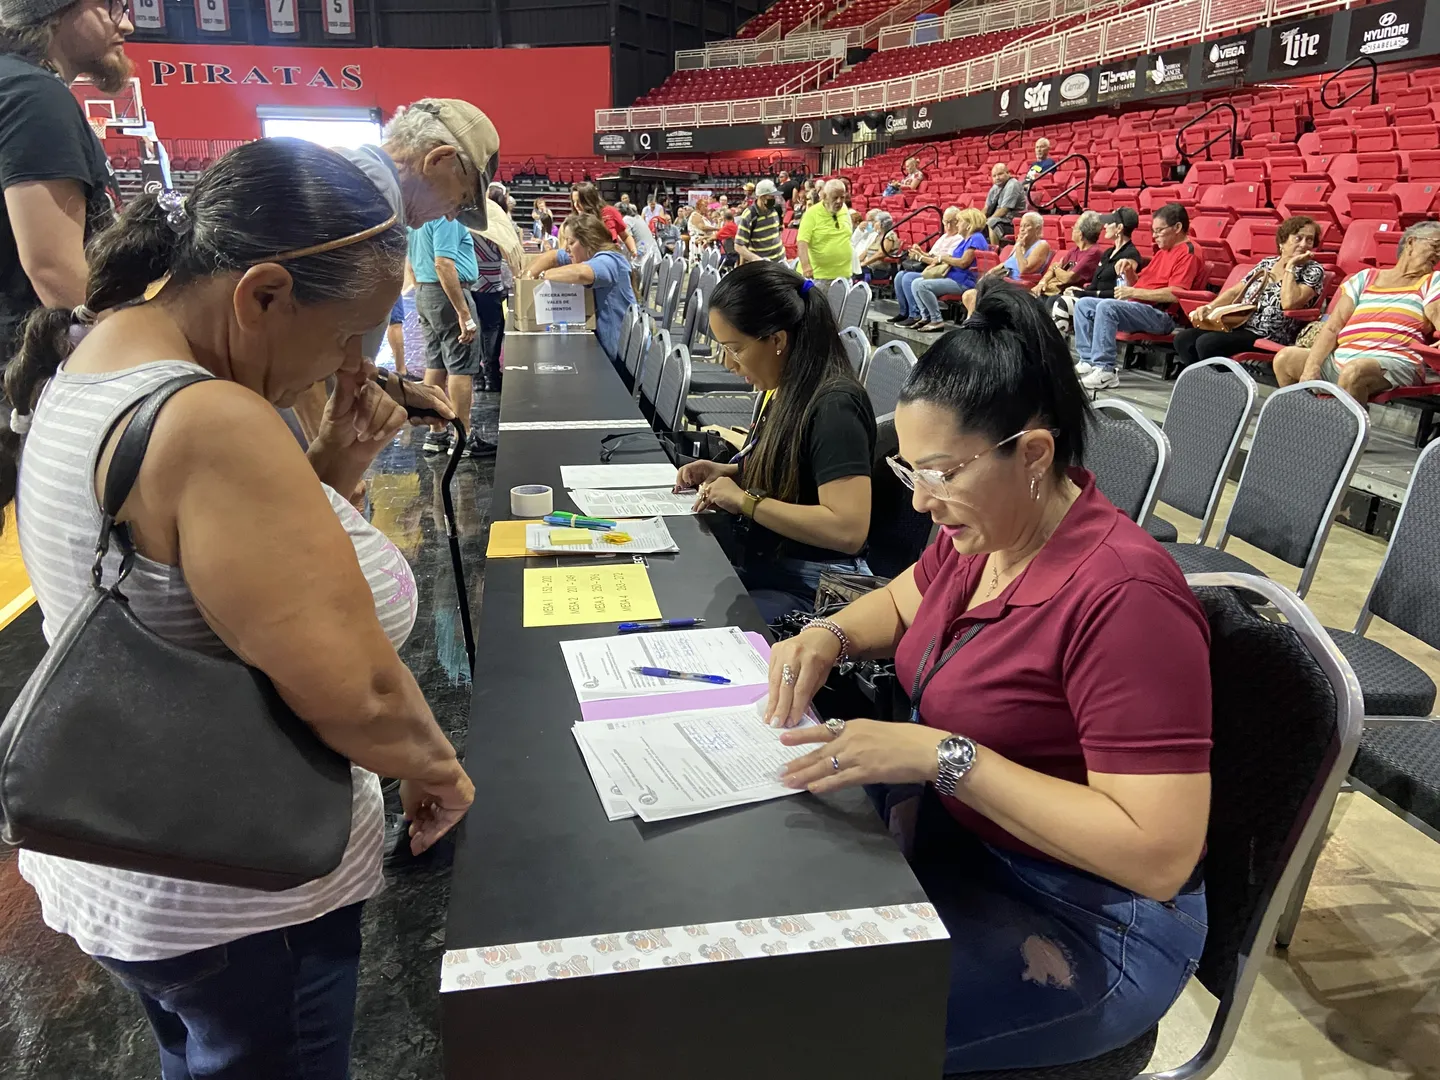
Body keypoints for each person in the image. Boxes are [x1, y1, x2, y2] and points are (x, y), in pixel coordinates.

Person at [0, 137, 474, 1080]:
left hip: (138, 867)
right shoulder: (213, 421)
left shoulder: (95, 355)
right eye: (348, 335)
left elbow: (212, 582)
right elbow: (352, 691)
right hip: (244, 892)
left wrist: (336, 463)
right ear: (262, 294)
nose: (351, 364)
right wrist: (437, 767)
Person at [764, 279, 1210, 1075]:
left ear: (1033, 455)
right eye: (912, 474)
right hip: (966, 846)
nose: (924, 502)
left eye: (940, 473)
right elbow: (901, 603)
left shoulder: (1125, 598)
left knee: (804, 1030)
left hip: (1088, 917)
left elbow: (1158, 854)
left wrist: (941, 755)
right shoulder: (986, 536)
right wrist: (829, 636)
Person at [677, 263, 875, 620]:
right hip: (770, 563)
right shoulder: (784, 388)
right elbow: (796, 472)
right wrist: (729, 471)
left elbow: (848, 530)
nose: (729, 364)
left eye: (735, 349)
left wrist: (746, 501)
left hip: (810, 586)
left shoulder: (835, 406)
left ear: (778, 340)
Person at [0, 0, 132, 369]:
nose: (126, 25)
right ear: (55, 12)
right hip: (23, 375)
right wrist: (141, 357)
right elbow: (53, 268)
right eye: (110, 7)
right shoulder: (33, 94)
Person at [1274, 219, 1440, 404]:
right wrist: (1311, 367)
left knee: (1354, 372)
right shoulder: (1365, 277)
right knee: (1284, 359)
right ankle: (1300, 422)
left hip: (1394, 362)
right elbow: (1332, 327)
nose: (1439, 253)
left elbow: (1436, 313)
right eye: (1436, 245)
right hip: (1342, 359)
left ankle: (1345, 431)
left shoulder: (1433, 280)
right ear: (1411, 242)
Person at [1073, 202, 1203, 391]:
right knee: (1084, 305)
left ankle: (1105, 370)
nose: (1154, 235)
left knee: (1107, 307)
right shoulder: (1163, 251)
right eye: (1153, 230)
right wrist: (1129, 272)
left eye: (1159, 231)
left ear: (1177, 228)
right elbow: (1139, 284)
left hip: (1163, 316)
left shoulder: (1189, 253)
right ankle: (1088, 360)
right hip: (1139, 307)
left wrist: (1133, 292)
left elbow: (1176, 294)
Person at [1175, 215, 1324, 371]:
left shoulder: (1313, 270)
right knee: (1183, 339)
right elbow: (1236, 291)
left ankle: (1226, 389)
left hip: (1271, 333)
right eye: (1298, 238)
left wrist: (1291, 266)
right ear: (1282, 242)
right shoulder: (1267, 263)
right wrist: (1210, 307)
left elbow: (1289, 303)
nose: (1304, 244)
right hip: (1241, 322)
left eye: (1309, 240)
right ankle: (1201, 383)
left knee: (1207, 343)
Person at [409, 215, 494, 458]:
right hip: (448, 293)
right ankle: (462, 437)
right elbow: (443, 264)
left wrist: (424, 294)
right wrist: (463, 313)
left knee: (435, 363)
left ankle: (436, 433)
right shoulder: (447, 218)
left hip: (425, 291)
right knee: (460, 365)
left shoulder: (417, 219)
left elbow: (411, 263)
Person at [523, 212, 637, 364]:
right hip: (606, 353)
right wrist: (528, 276)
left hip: (621, 363)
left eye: (571, 243)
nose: (567, 249)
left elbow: (581, 273)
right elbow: (553, 256)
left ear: (588, 242)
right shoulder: (582, 255)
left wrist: (544, 275)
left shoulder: (610, 260)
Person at [905, 207, 990, 333]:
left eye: (960, 221)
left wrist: (944, 258)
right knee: (916, 283)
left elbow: (963, 263)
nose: (957, 224)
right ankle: (926, 317)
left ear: (968, 224)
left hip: (964, 281)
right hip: (954, 277)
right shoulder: (967, 239)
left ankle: (936, 320)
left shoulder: (976, 238)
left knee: (923, 286)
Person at [470, 192, 523, 394]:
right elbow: (510, 253)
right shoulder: (498, 227)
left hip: (469, 283)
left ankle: (476, 375)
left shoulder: (462, 225)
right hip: (491, 285)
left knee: (472, 330)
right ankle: (491, 374)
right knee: (492, 329)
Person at [965, 211, 1051, 313]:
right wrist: (988, 274)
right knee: (968, 296)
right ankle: (971, 323)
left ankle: (975, 324)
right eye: (1021, 226)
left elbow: (1024, 269)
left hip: (1017, 286)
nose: (1022, 229)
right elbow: (1006, 263)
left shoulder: (1041, 245)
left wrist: (1019, 246)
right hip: (1004, 281)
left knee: (979, 298)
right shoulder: (1019, 245)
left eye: (1027, 226)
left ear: (1037, 229)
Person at [892, 206, 965, 325]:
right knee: (899, 275)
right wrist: (919, 252)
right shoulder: (944, 236)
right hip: (931, 268)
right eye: (945, 222)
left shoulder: (958, 238)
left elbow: (942, 261)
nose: (948, 226)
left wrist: (920, 257)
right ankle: (904, 312)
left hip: (941, 271)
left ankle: (915, 314)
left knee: (908, 278)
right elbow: (932, 255)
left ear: (957, 222)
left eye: (951, 222)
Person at [1032, 211, 1105, 305]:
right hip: (1056, 291)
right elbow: (1052, 269)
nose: (1071, 229)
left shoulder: (1094, 253)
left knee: (1047, 302)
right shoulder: (1074, 250)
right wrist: (1042, 283)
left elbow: (1068, 278)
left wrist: (1056, 268)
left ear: (1081, 234)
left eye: (1074, 228)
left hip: (1073, 294)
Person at [797, 179, 853, 282]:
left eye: (842, 197)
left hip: (844, 274)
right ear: (824, 196)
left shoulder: (844, 209)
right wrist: (806, 266)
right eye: (835, 197)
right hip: (819, 276)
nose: (839, 201)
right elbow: (802, 242)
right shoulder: (811, 214)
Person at [572, 181, 637, 258]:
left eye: (579, 201)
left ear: (589, 199)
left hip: (612, 259)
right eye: (574, 201)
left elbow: (625, 236)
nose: (576, 205)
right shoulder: (575, 222)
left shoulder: (609, 212)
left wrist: (633, 251)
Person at [735, 178, 785, 264]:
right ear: (762, 197)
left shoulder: (776, 209)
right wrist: (756, 259)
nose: (775, 199)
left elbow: (778, 232)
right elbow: (739, 245)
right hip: (762, 266)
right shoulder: (749, 215)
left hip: (780, 261)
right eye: (771, 196)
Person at [982, 162, 1025, 243]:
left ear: (1008, 173)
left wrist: (987, 221)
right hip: (999, 219)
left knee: (992, 223)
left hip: (1011, 221)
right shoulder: (995, 187)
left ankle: (995, 250)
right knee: (974, 224)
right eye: (994, 176)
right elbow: (986, 208)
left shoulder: (1013, 184)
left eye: (1000, 174)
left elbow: (1004, 210)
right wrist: (979, 220)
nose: (997, 178)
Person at [855, 209, 899, 277]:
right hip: (869, 266)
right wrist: (855, 262)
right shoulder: (878, 235)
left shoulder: (889, 235)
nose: (873, 224)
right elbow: (866, 251)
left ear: (882, 223)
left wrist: (864, 263)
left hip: (879, 269)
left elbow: (880, 254)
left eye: (875, 222)